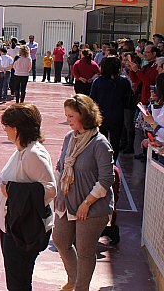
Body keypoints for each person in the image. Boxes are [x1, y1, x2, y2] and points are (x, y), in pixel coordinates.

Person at [53, 94, 114, 291]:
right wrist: (55, 193)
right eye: (66, 116)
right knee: (60, 241)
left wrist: (87, 203)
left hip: (92, 207)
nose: (67, 120)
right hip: (67, 202)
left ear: (84, 115)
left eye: (71, 116)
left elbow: (106, 180)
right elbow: (61, 166)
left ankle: (81, 288)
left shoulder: (100, 143)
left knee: (85, 251)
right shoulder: (69, 138)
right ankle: (74, 278)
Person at [0, 104, 56, 291]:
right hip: (12, 225)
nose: (4, 130)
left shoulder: (33, 154)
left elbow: (50, 189)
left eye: (6, 125)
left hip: (23, 229)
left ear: (16, 128)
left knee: (18, 284)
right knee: (16, 282)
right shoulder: (22, 150)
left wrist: (12, 191)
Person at [90, 56, 132, 161]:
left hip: (101, 116)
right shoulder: (124, 82)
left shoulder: (98, 82)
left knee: (100, 141)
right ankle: (113, 163)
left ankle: (102, 162)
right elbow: (128, 101)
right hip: (117, 116)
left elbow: (92, 101)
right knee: (115, 143)